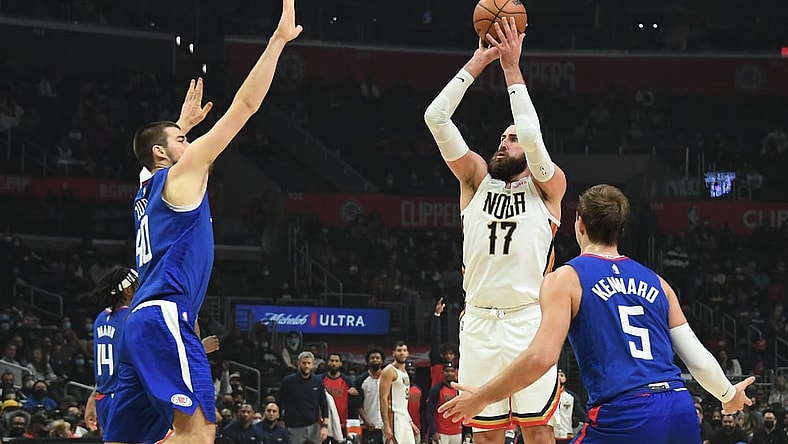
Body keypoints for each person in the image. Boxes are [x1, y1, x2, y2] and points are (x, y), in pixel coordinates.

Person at [105, 1, 302, 442]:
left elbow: (151, 152)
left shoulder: (145, 189)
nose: (189, 140)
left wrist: (178, 122)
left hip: (138, 323)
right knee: (198, 432)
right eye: (181, 139)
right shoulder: (183, 172)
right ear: (163, 153)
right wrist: (277, 41)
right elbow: (246, 105)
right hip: (164, 316)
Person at [439, 184, 756, 443]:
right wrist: (727, 394)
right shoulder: (658, 283)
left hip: (626, 414)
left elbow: (541, 358)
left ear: (579, 223)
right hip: (679, 408)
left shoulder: (566, 278)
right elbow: (697, 357)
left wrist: (481, 397)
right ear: (620, 228)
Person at [423, 16, 567, 444]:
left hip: (527, 322)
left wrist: (511, 69)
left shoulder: (549, 188)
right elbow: (436, 117)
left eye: (512, 138)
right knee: (485, 436)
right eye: (501, 138)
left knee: (537, 433)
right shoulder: (475, 180)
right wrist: (476, 64)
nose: (503, 142)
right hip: (480, 323)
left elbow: (532, 134)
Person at [84, 266, 138, 433]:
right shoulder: (133, 317)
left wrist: (93, 397)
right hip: (125, 397)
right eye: (139, 286)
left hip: (103, 398)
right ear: (128, 291)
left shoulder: (101, 318)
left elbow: (110, 366)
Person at [277, 351, 329, 444]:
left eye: (309, 363)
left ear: (312, 365)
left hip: (314, 427)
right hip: (293, 428)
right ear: (298, 363)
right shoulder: (288, 381)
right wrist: (280, 420)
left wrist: (325, 426)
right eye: (304, 363)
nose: (306, 366)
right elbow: (279, 402)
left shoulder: (318, 381)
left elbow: (324, 404)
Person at [380, 341, 418, 444]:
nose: (402, 353)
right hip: (394, 416)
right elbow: (383, 398)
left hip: (404, 417)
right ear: (393, 353)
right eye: (399, 350)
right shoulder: (389, 371)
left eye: (404, 350)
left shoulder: (405, 372)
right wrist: (386, 425)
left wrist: (410, 421)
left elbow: (403, 401)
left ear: (408, 353)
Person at [324, 352, 359, 437]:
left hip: (342, 424)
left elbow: (356, 400)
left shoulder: (348, 381)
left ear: (340, 363)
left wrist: (355, 393)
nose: (334, 363)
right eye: (332, 361)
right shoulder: (319, 380)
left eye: (336, 361)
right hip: (324, 424)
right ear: (328, 362)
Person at [426, 362, 462, 444]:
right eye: (447, 371)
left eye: (452, 371)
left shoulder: (459, 389)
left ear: (455, 372)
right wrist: (433, 431)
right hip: (441, 433)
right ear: (443, 372)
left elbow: (464, 410)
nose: (449, 373)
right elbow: (429, 413)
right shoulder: (436, 390)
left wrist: (467, 432)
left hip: (457, 432)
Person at [356, 347, 386, 444]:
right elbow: (358, 405)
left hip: (387, 427)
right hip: (368, 427)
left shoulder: (389, 379)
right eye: (372, 358)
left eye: (378, 358)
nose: (375, 360)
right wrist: (367, 422)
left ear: (382, 361)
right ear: (368, 362)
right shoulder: (360, 380)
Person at [429, 298, 458, 388]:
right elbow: (435, 340)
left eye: (451, 354)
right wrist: (437, 315)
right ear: (442, 355)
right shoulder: (436, 364)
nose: (449, 356)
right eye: (447, 354)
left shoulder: (460, 368)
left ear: (455, 356)